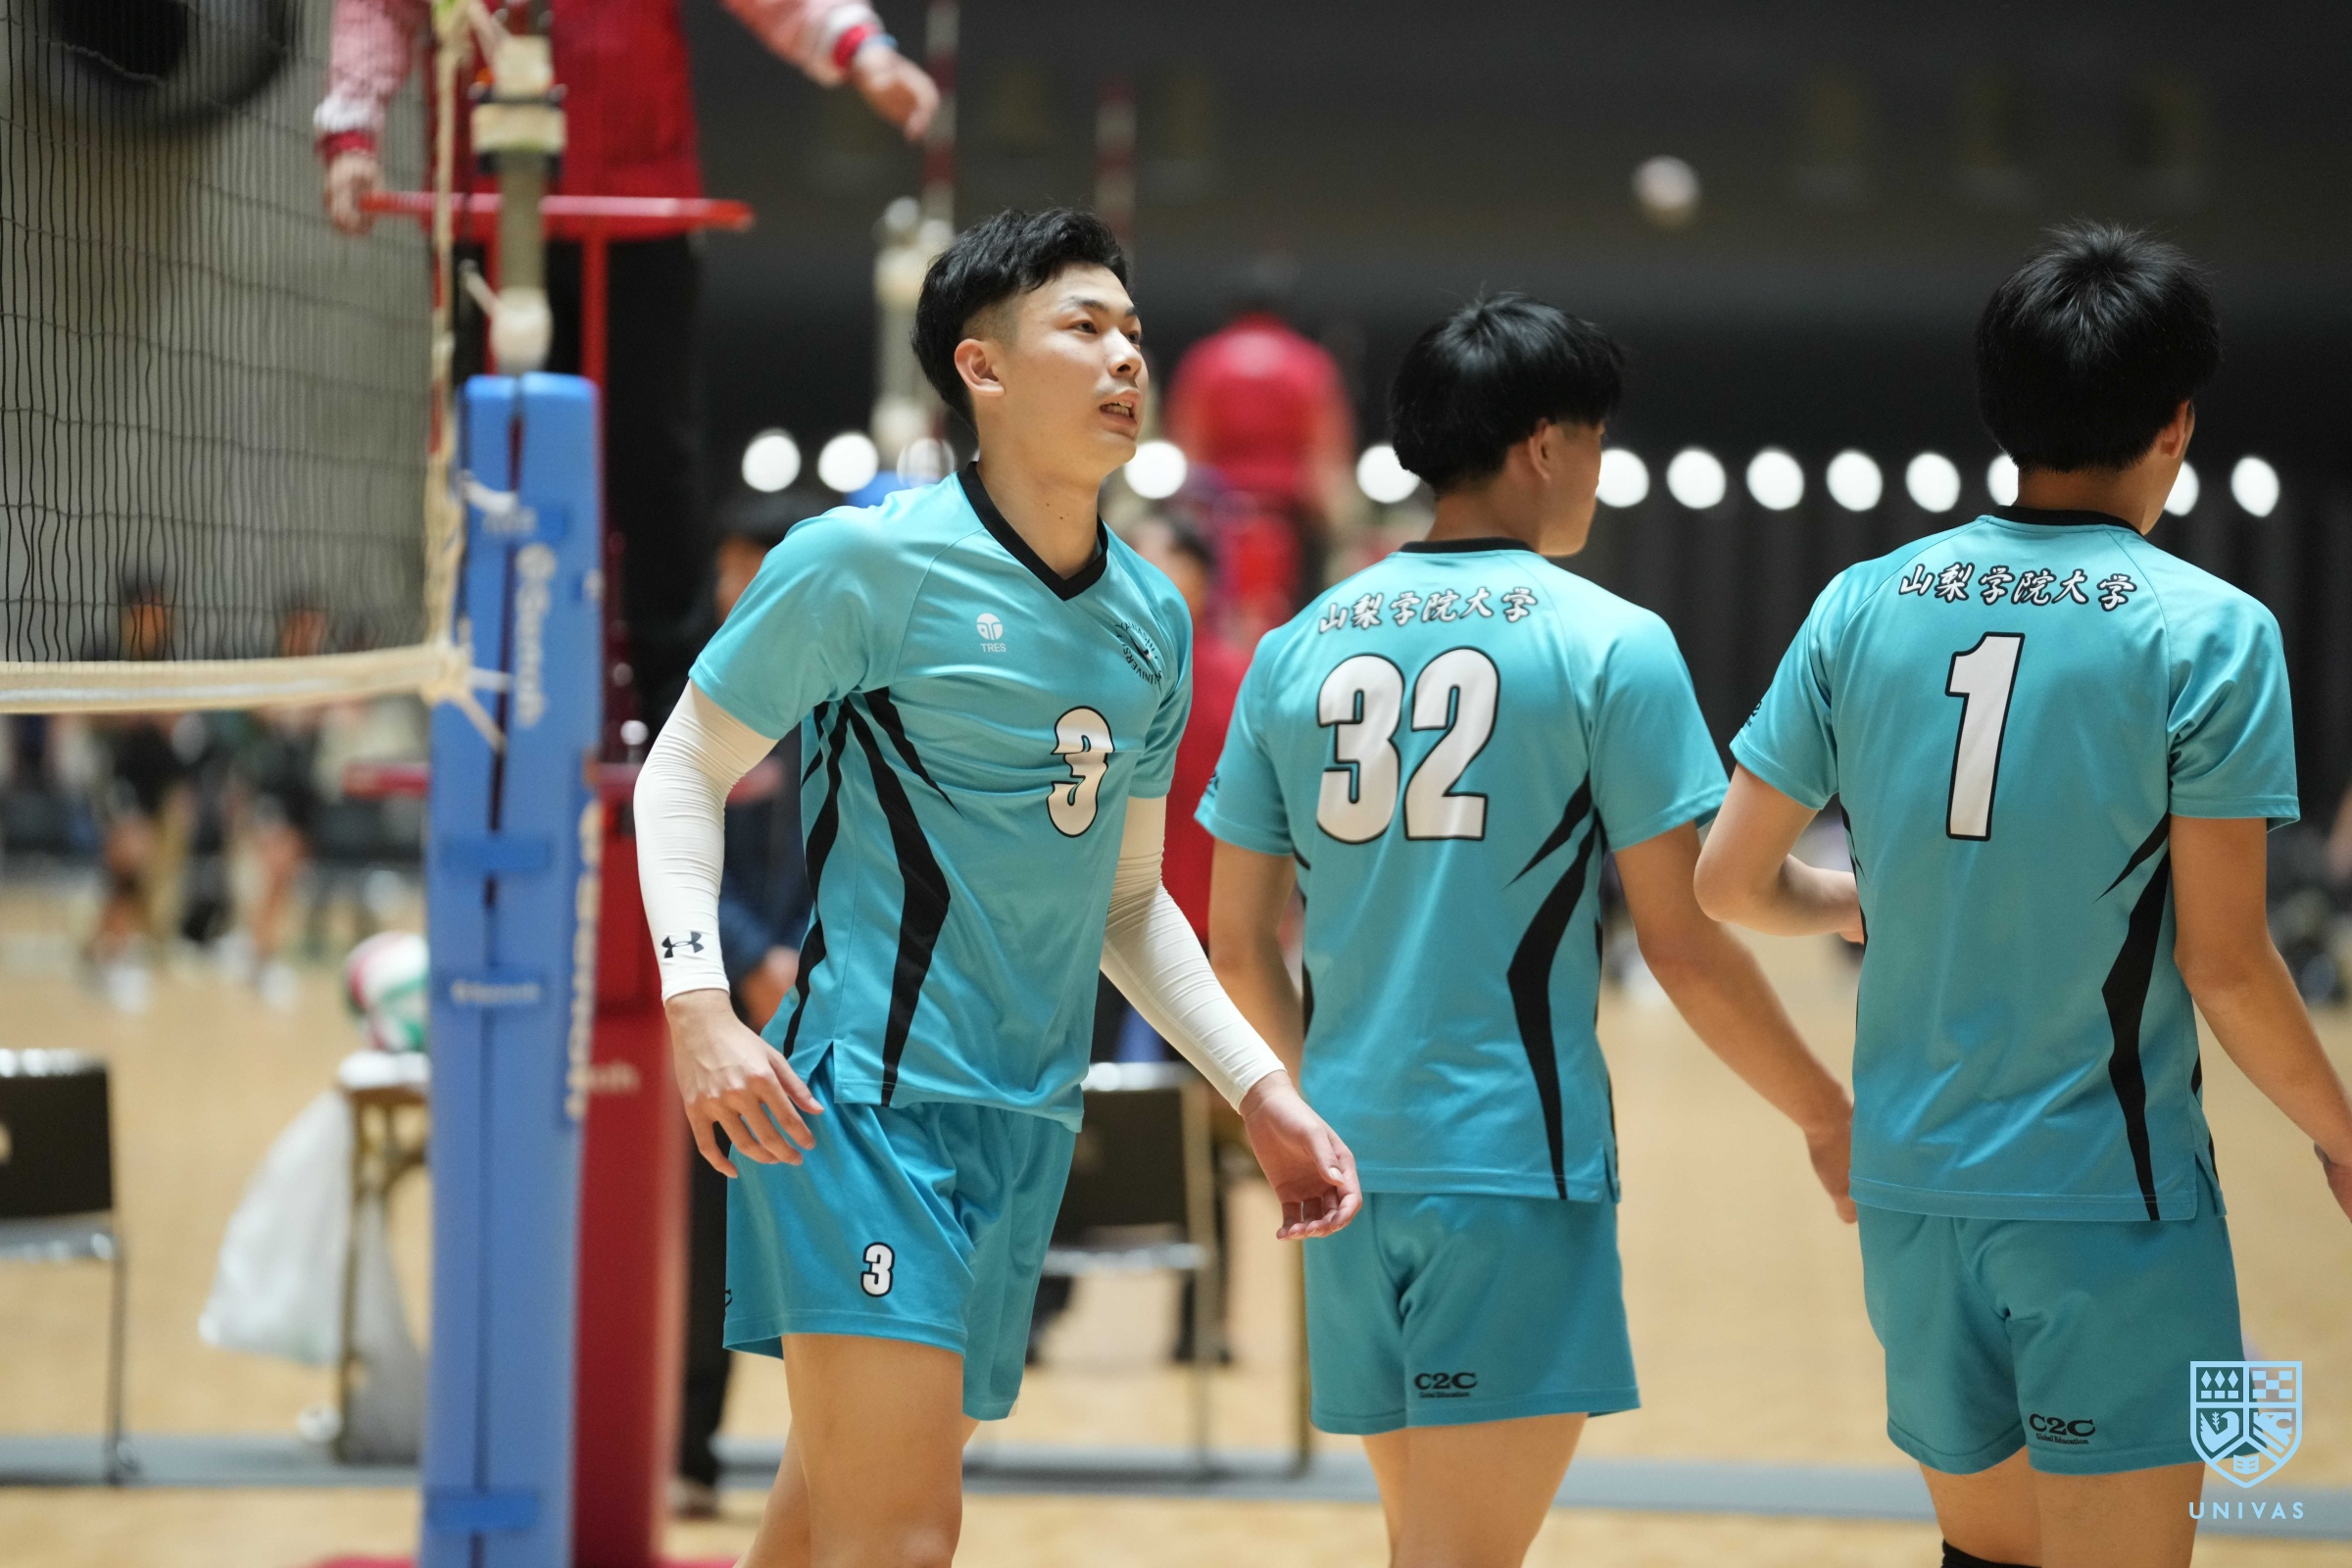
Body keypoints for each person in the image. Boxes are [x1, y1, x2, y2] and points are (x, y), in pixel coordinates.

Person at [632, 207, 1361, 1568]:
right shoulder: (863, 563)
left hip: (1026, 1119)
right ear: (982, 368)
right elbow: (680, 772)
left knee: (823, 1520)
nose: (1125, 357)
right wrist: (699, 1008)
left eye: (1133, 332)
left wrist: (1259, 1087)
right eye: (1083, 328)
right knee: (903, 1536)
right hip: (859, 1109)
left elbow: (1128, 907)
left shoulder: (1152, 620)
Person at [1694, 225, 2352, 1568]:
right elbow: (2227, 963)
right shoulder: (2211, 632)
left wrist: (1855, 904)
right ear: (2176, 424)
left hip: (1910, 1189)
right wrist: (2342, 1133)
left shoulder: (1863, 603)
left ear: (2002, 410)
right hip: (2105, 1196)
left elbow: (1728, 881)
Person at [1200, 295, 1855, 1568]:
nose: (1600, 473)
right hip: (1508, 1166)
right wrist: (1825, 1113)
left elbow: (1236, 948)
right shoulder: (1609, 642)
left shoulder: (1296, 649)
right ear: (1546, 445)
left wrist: (1296, 1117)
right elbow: (1686, 942)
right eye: (1597, 443)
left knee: (1427, 1542)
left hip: (1340, 1173)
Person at [314, 0, 938, 729]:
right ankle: (489, 695)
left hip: (642, 207)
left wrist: (861, 49)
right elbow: (379, 11)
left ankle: (679, 709)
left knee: (654, 461)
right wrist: (350, 132)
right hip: (484, 212)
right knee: (491, 463)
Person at [674, 490, 819, 1518]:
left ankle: (834, 1462)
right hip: (723, 1013)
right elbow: (678, 844)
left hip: (828, 1004)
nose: (731, 587)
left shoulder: (852, 691)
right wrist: (747, 957)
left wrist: (804, 957)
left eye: (745, 567)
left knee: (826, 1250)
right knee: (707, 1232)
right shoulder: (705, 698)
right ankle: (690, 1448)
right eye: (727, 568)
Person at [1164, 265, 1356, 638]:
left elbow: (1189, 449)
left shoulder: (1205, 361)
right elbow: (1326, 458)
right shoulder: (1309, 364)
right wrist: (1338, 525)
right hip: (1289, 517)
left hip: (1217, 515)